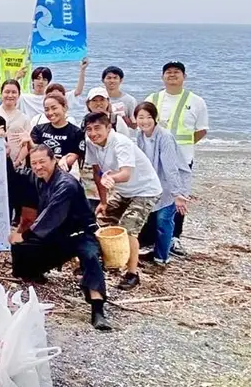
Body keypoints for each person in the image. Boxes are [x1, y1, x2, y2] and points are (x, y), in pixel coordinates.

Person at [10, 145, 110, 331]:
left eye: (42, 162)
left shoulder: (66, 184)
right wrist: (6, 154)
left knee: (90, 258)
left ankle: (98, 310)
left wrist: (23, 234)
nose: (38, 167)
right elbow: (16, 176)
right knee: (21, 253)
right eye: (34, 163)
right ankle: (35, 272)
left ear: (54, 160)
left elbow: (50, 216)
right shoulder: (38, 177)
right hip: (56, 234)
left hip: (80, 233)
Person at [84, 111, 162, 291]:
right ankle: (106, 262)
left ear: (108, 128)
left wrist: (111, 178)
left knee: (128, 229)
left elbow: (125, 174)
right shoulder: (90, 142)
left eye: (97, 128)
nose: (93, 133)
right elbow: (96, 173)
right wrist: (103, 201)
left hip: (145, 190)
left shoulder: (121, 142)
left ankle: (132, 274)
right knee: (101, 222)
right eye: (89, 129)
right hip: (123, 191)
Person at [146, 61, 208, 256]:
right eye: (168, 72)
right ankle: (151, 237)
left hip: (182, 158)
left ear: (184, 76)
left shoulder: (196, 101)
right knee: (154, 195)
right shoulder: (153, 98)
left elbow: (201, 130)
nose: (172, 75)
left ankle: (175, 238)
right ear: (162, 76)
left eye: (176, 72)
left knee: (178, 196)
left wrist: (180, 150)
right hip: (155, 158)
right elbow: (143, 124)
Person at [135, 102, 192, 266]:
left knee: (164, 220)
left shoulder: (165, 137)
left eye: (149, 117)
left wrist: (178, 194)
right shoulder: (140, 135)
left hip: (172, 183)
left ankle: (162, 258)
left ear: (155, 118)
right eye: (140, 117)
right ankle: (156, 251)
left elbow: (171, 168)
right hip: (154, 182)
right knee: (152, 218)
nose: (145, 121)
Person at [29, 93, 85, 172]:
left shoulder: (76, 132)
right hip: (41, 172)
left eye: (54, 108)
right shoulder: (38, 129)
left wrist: (61, 161)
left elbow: (72, 158)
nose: (50, 113)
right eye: (46, 109)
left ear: (65, 108)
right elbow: (35, 153)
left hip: (64, 174)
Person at [0, 80, 31, 164]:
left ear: (19, 95)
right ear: (1, 93)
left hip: (17, 163)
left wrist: (17, 163)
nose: (10, 95)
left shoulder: (24, 118)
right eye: (7, 92)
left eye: (14, 92)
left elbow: (26, 145)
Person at [101, 66, 137, 132]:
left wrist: (120, 115)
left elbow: (134, 126)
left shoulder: (130, 100)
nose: (112, 81)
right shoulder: (98, 99)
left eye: (115, 78)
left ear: (121, 80)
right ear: (103, 80)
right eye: (109, 78)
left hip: (122, 134)